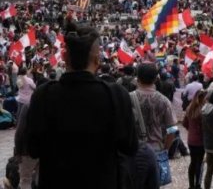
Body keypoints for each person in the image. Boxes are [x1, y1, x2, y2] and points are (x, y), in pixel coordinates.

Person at [26, 20, 138, 188]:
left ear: (64, 57)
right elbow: (130, 147)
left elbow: (33, 149)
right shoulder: (116, 95)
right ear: (97, 59)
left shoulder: (43, 95)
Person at [132, 63, 177, 151]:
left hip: (134, 150)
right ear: (156, 79)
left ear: (137, 78)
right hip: (156, 148)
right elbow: (172, 129)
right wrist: (166, 148)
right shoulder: (164, 101)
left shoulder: (128, 98)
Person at [183, 90, 207, 189]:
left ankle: (191, 185)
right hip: (200, 141)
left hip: (191, 140)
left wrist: (191, 130)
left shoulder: (189, 108)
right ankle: (198, 185)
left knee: (193, 162)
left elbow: (184, 123)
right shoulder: (203, 111)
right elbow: (204, 128)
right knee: (199, 162)